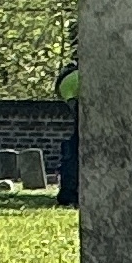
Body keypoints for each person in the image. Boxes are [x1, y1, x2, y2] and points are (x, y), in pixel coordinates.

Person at [55, 60, 79, 208]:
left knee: (72, 154)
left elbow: (74, 108)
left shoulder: (65, 85)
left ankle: (69, 193)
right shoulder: (78, 75)